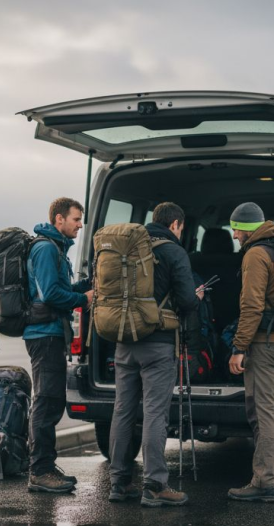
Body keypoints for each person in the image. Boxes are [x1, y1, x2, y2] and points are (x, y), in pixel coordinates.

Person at [107, 202, 201, 507]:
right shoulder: (174, 252)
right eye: (181, 228)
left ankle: (118, 483)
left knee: (122, 411)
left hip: (123, 341)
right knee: (154, 413)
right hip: (158, 344)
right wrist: (197, 297)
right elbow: (186, 302)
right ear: (175, 224)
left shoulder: (127, 248)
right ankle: (155, 485)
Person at [226, 202, 274, 503]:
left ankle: (265, 482)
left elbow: (252, 306)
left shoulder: (256, 254)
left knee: (263, 411)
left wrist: (239, 347)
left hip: (266, 345)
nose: (234, 235)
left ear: (246, 229)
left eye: (236, 229)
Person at [25, 197, 93, 494]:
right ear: (59, 219)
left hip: (51, 332)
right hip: (44, 334)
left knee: (52, 400)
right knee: (46, 401)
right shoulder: (45, 249)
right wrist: (83, 299)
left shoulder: (56, 249)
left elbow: (59, 289)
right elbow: (51, 294)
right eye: (76, 219)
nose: (80, 225)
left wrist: (85, 286)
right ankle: (40, 472)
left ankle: (46, 466)